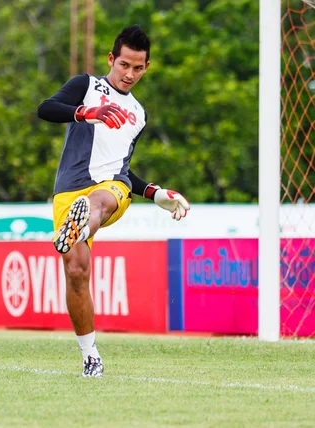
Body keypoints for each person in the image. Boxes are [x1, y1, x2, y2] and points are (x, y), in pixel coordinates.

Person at [37, 24, 190, 378]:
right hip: (68, 191)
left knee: (101, 200)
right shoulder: (86, 86)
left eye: (138, 68)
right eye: (124, 65)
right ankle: (90, 355)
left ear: (146, 67)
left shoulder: (138, 114)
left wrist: (153, 192)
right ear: (111, 59)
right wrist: (86, 113)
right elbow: (46, 108)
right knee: (76, 271)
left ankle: (78, 226)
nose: (130, 74)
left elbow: (123, 167)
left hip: (112, 189)